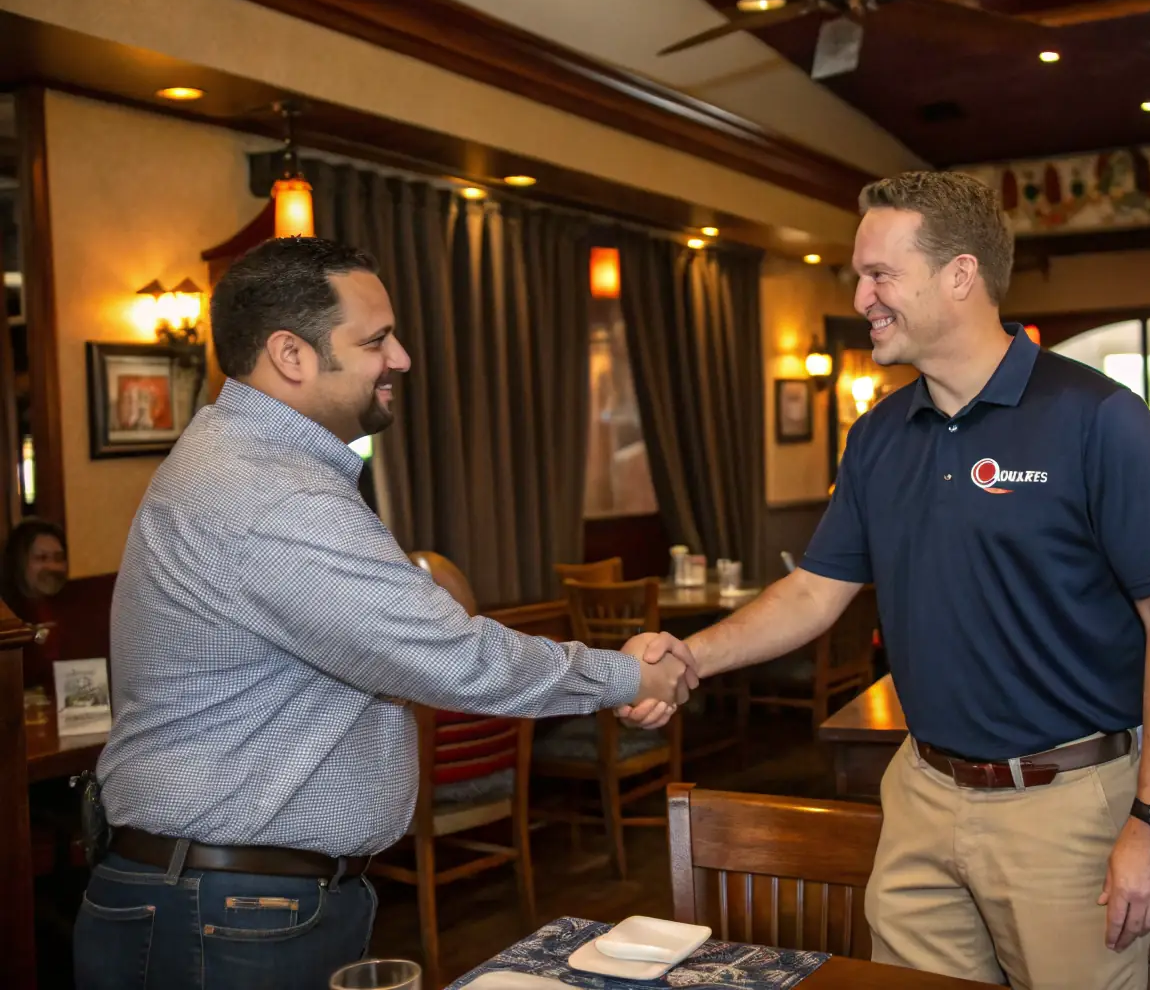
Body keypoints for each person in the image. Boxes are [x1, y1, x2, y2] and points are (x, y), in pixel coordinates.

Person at [623, 171, 1150, 988]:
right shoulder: (878, 434)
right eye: (858, 274)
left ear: (960, 275)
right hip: (918, 790)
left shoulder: (1094, 416)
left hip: (1064, 805)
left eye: (879, 274)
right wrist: (689, 659)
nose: (861, 295)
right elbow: (812, 592)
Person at [75, 237, 696, 990]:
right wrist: (626, 673)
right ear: (290, 355)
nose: (400, 358)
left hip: (228, 896)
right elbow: (448, 656)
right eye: (375, 340)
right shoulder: (273, 494)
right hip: (226, 912)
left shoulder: (250, 463)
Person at [0, 516, 70, 688]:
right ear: (18, 562)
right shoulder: (6, 617)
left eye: (58, 558)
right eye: (41, 558)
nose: (53, 567)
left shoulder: (74, 608)